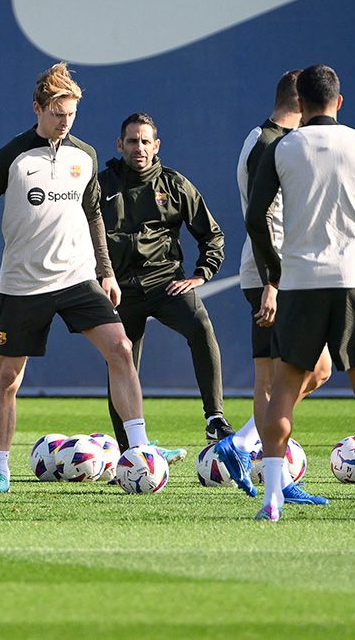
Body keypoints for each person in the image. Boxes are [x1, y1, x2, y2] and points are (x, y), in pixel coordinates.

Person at [0, 62, 154, 494]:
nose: (66, 122)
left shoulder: (85, 155)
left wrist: (106, 272)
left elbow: (94, 213)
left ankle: (139, 452)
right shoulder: (14, 156)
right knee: (8, 379)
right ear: (38, 109)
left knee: (121, 349)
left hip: (77, 277)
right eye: (58, 113)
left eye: (72, 114)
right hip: (23, 285)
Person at [245, 64, 355, 522]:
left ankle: (272, 499)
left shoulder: (281, 147)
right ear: (339, 100)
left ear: (300, 103)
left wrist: (274, 271)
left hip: (300, 282)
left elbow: (256, 218)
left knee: (283, 391)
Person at [212, 70, 331, 500]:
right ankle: (250, 449)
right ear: (302, 104)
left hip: (271, 273)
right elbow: (258, 218)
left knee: (276, 379)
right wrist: (272, 284)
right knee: (311, 370)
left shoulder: (262, 138)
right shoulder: (272, 145)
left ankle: (256, 458)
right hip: (274, 275)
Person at [98, 111, 223, 454]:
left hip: (165, 284)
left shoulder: (175, 185)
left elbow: (212, 236)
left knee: (200, 326)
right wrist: (99, 278)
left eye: (145, 141)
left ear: (156, 145)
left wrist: (200, 274)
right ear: (120, 144)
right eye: (132, 141)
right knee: (121, 364)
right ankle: (129, 451)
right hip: (119, 291)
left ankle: (214, 418)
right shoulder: (101, 186)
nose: (139, 148)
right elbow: (78, 235)